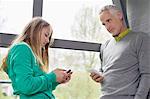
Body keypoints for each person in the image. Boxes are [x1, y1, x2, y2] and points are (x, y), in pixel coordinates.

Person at [0, 17, 72, 99]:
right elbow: (26, 86)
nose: (48, 41)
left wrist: (57, 80)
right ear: (34, 31)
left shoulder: (31, 54)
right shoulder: (22, 48)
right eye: (46, 35)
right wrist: (52, 76)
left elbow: (38, 88)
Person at [90, 5, 150, 99]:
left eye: (109, 20)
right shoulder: (104, 46)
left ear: (119, 15)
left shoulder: (140, 39)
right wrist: (98, 76)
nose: (107, 27)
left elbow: (147, 74)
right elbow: (104, 71)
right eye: (104, 24)